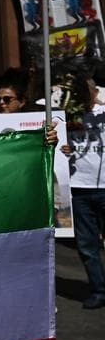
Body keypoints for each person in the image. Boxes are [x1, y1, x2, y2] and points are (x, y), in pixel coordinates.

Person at [62, 72, 105, 309]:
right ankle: (99, 290)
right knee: (87, 245)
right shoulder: (66, 106)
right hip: (80, 187)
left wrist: (98, 101)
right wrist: (63, 147)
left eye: (82, 87)